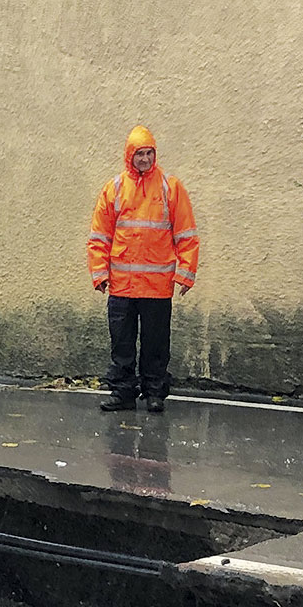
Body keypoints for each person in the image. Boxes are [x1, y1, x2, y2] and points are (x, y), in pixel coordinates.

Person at [86, 125, 197, 413]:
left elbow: (185, 233)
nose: (145, 159)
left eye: (149, 153)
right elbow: (100, 236)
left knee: (156, 345)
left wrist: (185, 274)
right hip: (122, 285)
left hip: (157, 287)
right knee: (121, 344)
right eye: (140, 154)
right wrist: (99, 273)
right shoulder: (115, 189)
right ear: (129, 156)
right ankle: (123, 393)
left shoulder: (170, 188)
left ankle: (154, 392)